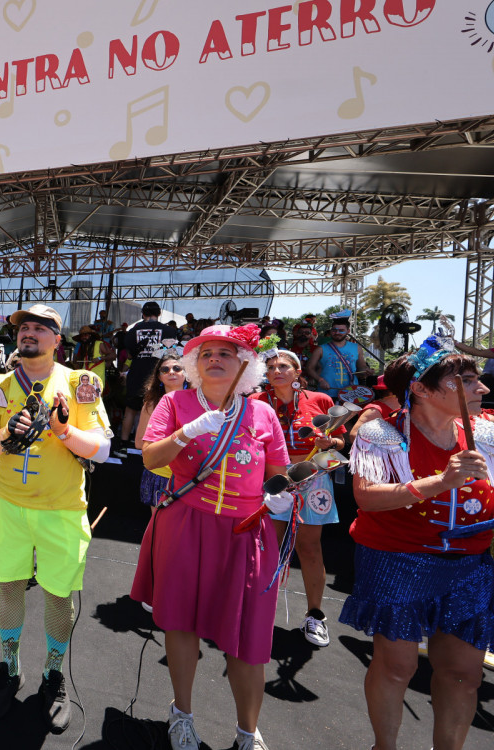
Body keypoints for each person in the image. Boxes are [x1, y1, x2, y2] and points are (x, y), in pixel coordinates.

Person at [342, 335, 494, 750]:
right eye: (465, 380)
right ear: (421, 388)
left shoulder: (492, 431)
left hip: (468, 566)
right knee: (397, 667)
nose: (482, 387)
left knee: (464, 674)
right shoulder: (381, 432)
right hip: (397, 562)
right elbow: (366, 497)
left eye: (477, 379)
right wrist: (441, 481)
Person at [131, 323, 291, 750]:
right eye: (206, 354)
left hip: (245, 533)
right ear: (194, 364)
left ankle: (248, 731)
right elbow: (150, 458)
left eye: (226, 353)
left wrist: (280, 496)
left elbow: (278, 474)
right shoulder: (175, 402)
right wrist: (188, 431)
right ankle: (181, 714)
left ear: (246, 363)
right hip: (186, 524)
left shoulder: (263, 413)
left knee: (248, 638)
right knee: (181, 624)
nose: (215, 359)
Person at [0, 304, 111, 733]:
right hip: (12, 507)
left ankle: (53, 673)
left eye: (39, 327)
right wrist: (5, 433)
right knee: (9, 585)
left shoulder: (80, 382)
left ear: (57, 339)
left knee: (57, 595)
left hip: (63, 510)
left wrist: (65, 431)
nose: (28, 333)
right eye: (24, 328)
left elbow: (103, 449)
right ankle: (10, 666)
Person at [252, 350, 346, 647]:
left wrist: (330, 441)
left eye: (283, 366)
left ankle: (315, 615)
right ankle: (258, 611)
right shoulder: (256, 402)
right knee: (267, 547)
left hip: (313, 478)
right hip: (271, 479)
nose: (276, 371)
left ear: (297, 370)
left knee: (309, 548)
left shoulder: (320, 400)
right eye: (270, 367)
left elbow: (342, 440)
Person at [134, 352, 186, 528]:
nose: (171, 372)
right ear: (159, 376)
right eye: (165, 369)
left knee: (186, 531)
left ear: (186, 373)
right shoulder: (151, 404)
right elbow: (139, 443)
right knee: (161, 528)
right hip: (160, 474)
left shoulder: (199, 401)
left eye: (177, 368)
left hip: (190, 476)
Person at [120, 302, 167, 449]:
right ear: (159, 313)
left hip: (136, 374)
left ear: (143, 314)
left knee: (130, 410)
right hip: (157, 376)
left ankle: (123, 444)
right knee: (153, 410)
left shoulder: (134, 330)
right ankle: (147, 446)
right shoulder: (168, 330)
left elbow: (129, 354)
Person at [307, 312, 371, 398]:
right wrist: (320, 380)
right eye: (334, 330)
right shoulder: (320, 349)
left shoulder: (357, 348)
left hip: (351, 394)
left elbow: (361, 367)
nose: (337, 332)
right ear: (331, 331)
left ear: (348, 331)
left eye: (341, 330)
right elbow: (309, 368)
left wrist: (366, 371)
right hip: (327, 394)